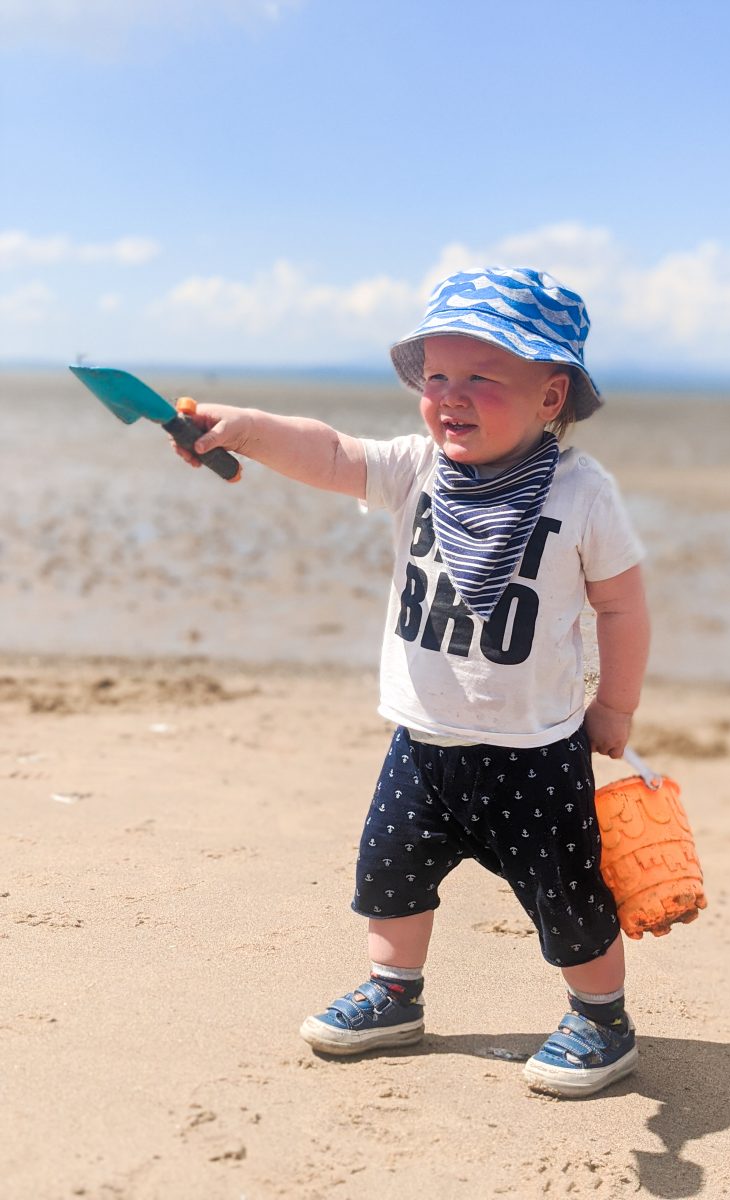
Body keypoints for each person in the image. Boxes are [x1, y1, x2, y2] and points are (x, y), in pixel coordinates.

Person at [174, 267, 650, 1098]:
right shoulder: (414, 469)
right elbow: (328, 451)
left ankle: (601, 1018)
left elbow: (622, 604)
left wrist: (615, 705)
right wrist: (245, 429)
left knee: (569, 894)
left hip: (534, 749)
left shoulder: (582, 494)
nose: (449, 396)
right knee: (389, 874)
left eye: (480, 377)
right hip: (423, 741)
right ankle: (396, 996)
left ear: (551, 396)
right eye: (435, 375)